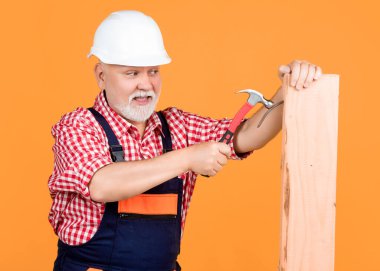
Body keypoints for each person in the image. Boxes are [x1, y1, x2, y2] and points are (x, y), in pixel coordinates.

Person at [48, 10, 323, 271]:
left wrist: (288, 90)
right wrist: (189, 157)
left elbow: (248, 135)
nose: (146, 84)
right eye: (132, 73)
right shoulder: (78, 126)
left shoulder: (177, 127)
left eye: (153, 71)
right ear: (101, 76)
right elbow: (101, 184)